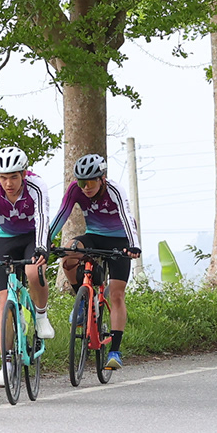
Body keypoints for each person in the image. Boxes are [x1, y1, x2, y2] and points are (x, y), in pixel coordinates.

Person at [0, 146, 54, 389]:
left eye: (13, 177)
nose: (8, 183)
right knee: (4, 301)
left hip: (34, 236)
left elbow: (44, 218)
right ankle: (6, 364)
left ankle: (41, 315)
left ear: (24, 174)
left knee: (31, 271)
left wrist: (41, 248)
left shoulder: (36, 186)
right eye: (3, 177)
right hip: (7, 239)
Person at [54, 153, 138, 369]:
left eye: (91, 182)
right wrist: (43, 243)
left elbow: (128, 218)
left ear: (102, 178)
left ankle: (115, 351)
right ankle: (82, 301)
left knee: (117, 294)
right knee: (69, 255)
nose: (86, 187)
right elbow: (61, 215)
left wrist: (134, 244)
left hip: (121, 239)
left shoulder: (115, 190)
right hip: (94, 235)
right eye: (82, 182)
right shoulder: (75, 190)